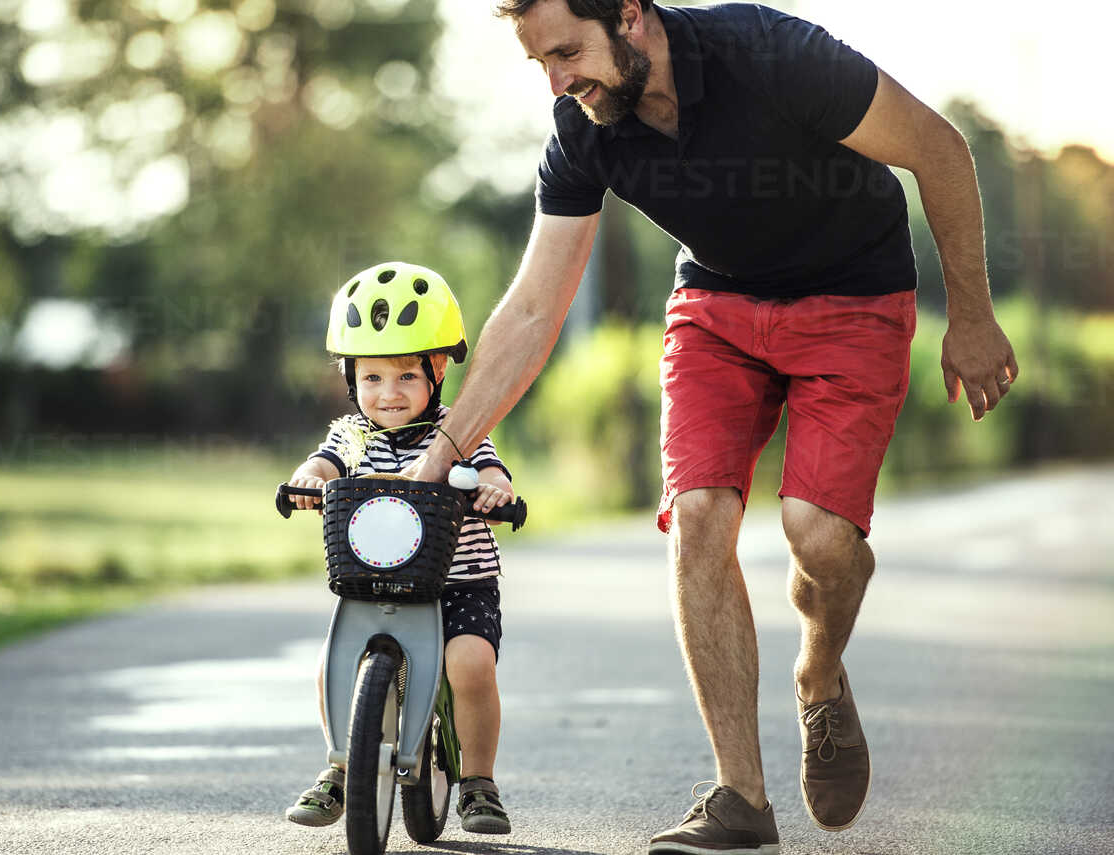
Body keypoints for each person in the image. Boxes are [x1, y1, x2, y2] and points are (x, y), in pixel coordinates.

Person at [401, 1, 1019, 853]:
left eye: (569, 52)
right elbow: (536, 305)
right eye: (540, 62)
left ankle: (820, 669)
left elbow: (940, 151)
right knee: (697, 517)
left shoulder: (770, 53)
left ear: (629, 15)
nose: (557, 81)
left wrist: (975, 319)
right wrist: (441, 453)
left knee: (820, 536)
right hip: (718, 308)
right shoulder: (586, 127)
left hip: (855, 294)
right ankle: (741, 797)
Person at [283, 261, 515, 835]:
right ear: (350, 379)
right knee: (332, 664)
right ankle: (340, 767)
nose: (388, 394)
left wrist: (495, 492)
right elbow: (322, 462)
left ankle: (478, 782)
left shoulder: (459, 432)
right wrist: (308, 480)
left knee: (471, 665)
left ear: (437, 371)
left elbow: (493, 472)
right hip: (370, 581)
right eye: (372, 379)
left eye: (406, 377)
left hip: (459, 584)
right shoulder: (352, 435)